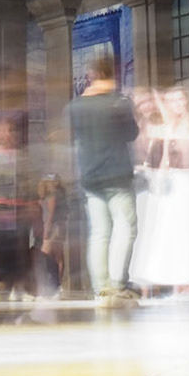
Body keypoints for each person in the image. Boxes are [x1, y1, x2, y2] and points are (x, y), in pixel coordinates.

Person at [128, 85, 189, 295]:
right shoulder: (163, 130)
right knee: (170, 233)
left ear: (187, 102)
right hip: (170, 185)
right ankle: (175, 283)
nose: (176, 105)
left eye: (180, 100)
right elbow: (158, 157)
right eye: (171, 101)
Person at [70, 54, 139, 306]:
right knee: (124, 227)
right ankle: (118, 283)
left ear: (90, 75)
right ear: (111, 72)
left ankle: (101, 287)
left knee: (99, 232)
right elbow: (131, 133)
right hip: (117, 174)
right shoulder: (118, 102)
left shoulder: (75, 106)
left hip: (90, 176)